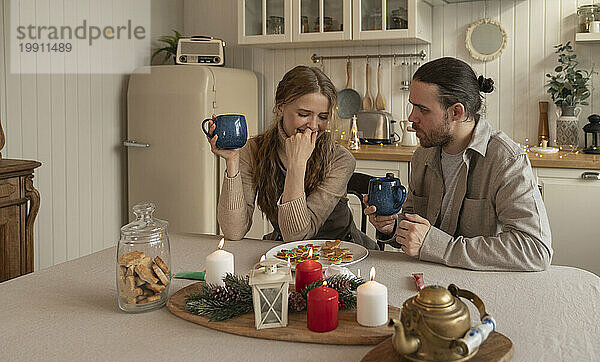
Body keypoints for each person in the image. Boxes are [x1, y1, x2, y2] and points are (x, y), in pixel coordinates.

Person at [365, 57, 552, 271]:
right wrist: (392, 227)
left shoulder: (506, 160)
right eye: (412, 107)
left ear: (456, 112)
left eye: (422, 110)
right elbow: (416, 230)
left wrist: (440, 247)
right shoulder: (422, 156)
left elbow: (535, 249)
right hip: (428, 284)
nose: (411, 117)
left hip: (482, 290)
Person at [208, 65, 378, 250]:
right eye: (304, 114)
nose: (313, 126)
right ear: (280, 107)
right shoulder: (254, 150)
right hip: (286, 253)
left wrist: (297, 163)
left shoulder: (340, 159)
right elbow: (234, 231)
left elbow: (297, 236)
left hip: (342, 252)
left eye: (323, 117)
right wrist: (232, 161)